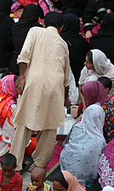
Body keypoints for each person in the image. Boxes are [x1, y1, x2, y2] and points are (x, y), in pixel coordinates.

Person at [11, 14, 70, 168]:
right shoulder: (63, 44)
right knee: (49, 126)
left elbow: (24, 56)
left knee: (23, 121)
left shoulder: (35, 31)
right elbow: (66, 76)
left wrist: (22, 77)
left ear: (43, 23)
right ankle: (39, 165)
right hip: (55, 87)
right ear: (61, 28)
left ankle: (15, 163)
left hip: (33, 82)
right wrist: (66, 97)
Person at [60, 104, 107, 184]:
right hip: (84, 174)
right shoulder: (100, 140)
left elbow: (66, 142)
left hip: (66, 165)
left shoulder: (76, 126)